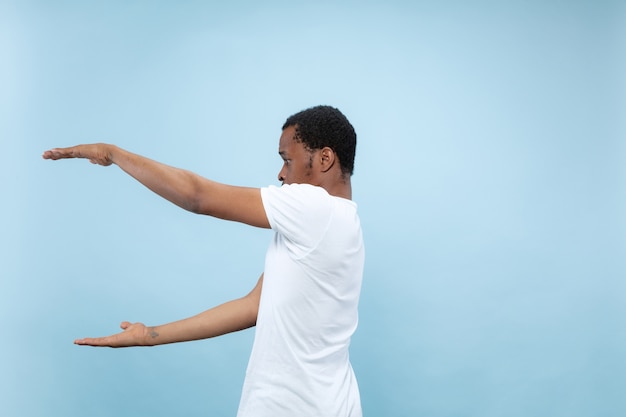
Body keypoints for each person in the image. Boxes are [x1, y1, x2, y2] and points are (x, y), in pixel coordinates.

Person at [42, 105, 365, 417]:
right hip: (332, 403)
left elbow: (197, 196)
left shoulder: (315, 209)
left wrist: (113, 154)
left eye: (287, 160)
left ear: (325, 158)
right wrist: (150, 335)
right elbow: (254, 306)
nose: (281, 174)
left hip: (296, 407)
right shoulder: (338, 223)